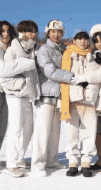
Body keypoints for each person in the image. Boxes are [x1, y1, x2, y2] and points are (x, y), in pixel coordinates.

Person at [0, 20, 36, 175]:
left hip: (4, 90)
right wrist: (26, 63)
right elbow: (2, 69)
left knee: (1, 127)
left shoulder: (9, 46)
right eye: (2, 31)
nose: (6, 34)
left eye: (8, 31)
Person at [72, 24, 101, 176]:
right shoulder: (97, 55)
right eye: (96, 40)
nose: (100, 43)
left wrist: (83, 78)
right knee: (98, 132)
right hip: (97, 99)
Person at [61, 29, 101, 177]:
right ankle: (73, 162)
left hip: (89, 102)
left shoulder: (94, 58)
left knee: (89, 134)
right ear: (74, 41)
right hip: (72, 101)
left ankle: (86, 162)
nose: (82, 41)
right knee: (72, 134)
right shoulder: (67, 56)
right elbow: (63, 79)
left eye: (85, 39)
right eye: (79, 38)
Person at [31, 20, 74, 177]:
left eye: (59, 31)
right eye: (53, 31)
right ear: (48, 33)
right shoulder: (44, 49)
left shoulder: (62, 49)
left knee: (55, 131)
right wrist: (72, 77)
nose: (56, 34)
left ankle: (51, 159)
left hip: (60, 95)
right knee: (42, 131)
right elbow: (50, 71)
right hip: (46, 94)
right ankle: (37, 164)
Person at [0, 20, 40, 177]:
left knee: (28, 127)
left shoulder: (31, 49)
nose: (33, 34)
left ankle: (20, 158)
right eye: (30, 31)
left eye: (34, 31)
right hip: (15, 94)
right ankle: (11, 164)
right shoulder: (13, 50)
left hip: (27, 95)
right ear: (22, 32)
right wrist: (22, 86)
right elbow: (5, 75)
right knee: (16, 128)